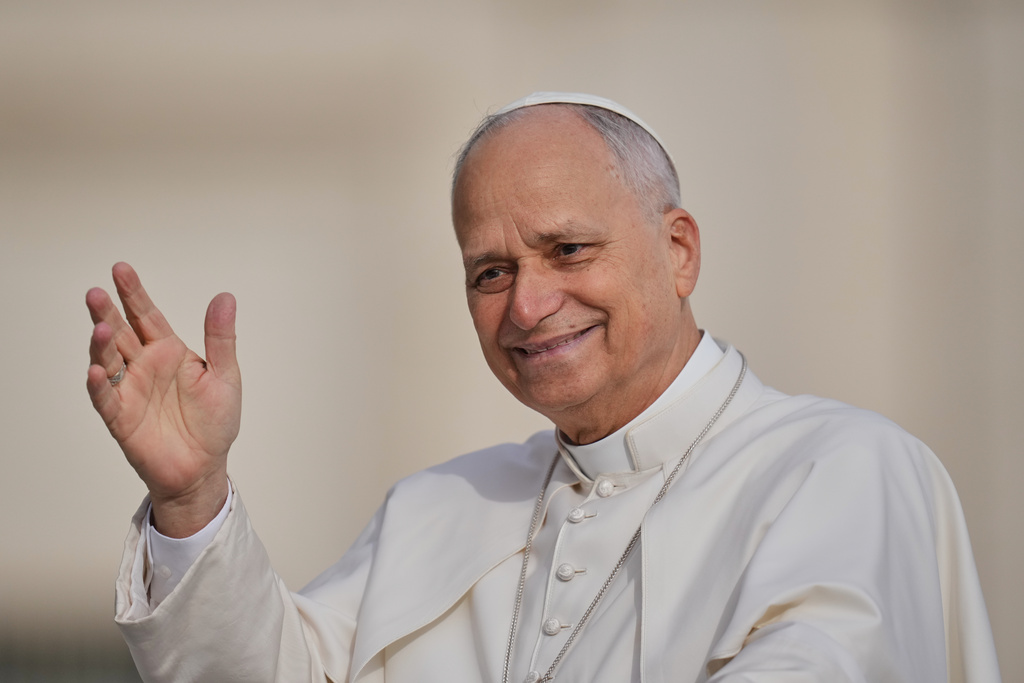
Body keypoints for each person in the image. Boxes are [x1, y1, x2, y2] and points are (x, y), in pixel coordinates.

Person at [86, 93, 1001, 683]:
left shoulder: (841, 469)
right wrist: (192, 495)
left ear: (677, 250)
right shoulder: (436, 506)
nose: (528, 303)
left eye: (568, 250)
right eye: (490, 272)